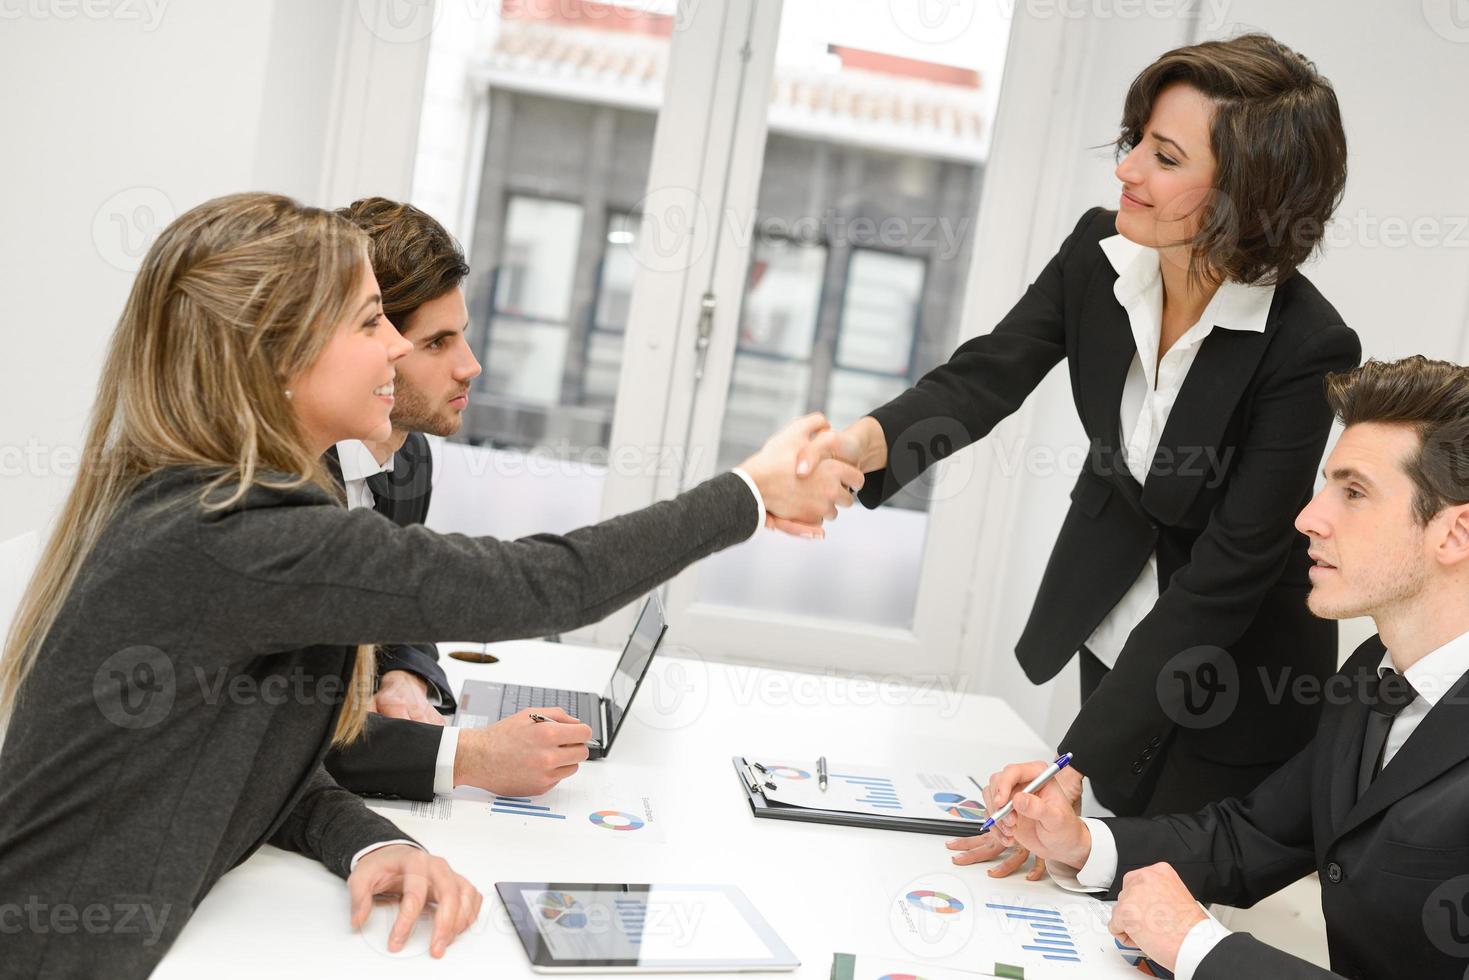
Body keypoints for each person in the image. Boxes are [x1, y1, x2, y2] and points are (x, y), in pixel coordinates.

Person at [0, 193, 859, 978]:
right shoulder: (239, 536)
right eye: (373, 320)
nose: (397, 347)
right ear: (279, 354)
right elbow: (540, 585)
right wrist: (746, 494)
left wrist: (369, 845)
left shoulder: (216, 511)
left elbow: (259, 770)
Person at [787, 34, 1361, 843]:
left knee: (1152, 894)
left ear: (1249, 197)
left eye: (1162, 157)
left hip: (1232, 672)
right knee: (1077, 862)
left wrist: (1072, 761)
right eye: (1135, 143)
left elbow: (1228, 574)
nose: (1126, 170)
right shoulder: (1098, 256)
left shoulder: (1305, 347)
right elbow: (984, 376)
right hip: (1116, 613)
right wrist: (861, 446)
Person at [956, 356, 1469, 979]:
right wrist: (1083, 844)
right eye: (1325, 484)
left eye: (1354, 492)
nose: (1307, 518)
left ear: (1454, 534)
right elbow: (1255, 835)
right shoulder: (1374, 674)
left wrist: (1201, 948)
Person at [321, 197, 592, 802]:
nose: (470, 366)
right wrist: (469, 757)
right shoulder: (283, 488)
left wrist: (404, 678)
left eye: (462, 335)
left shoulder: (410, 457)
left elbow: (403, 613)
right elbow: (285, 735)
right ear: (368, 342)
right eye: (438, 343)